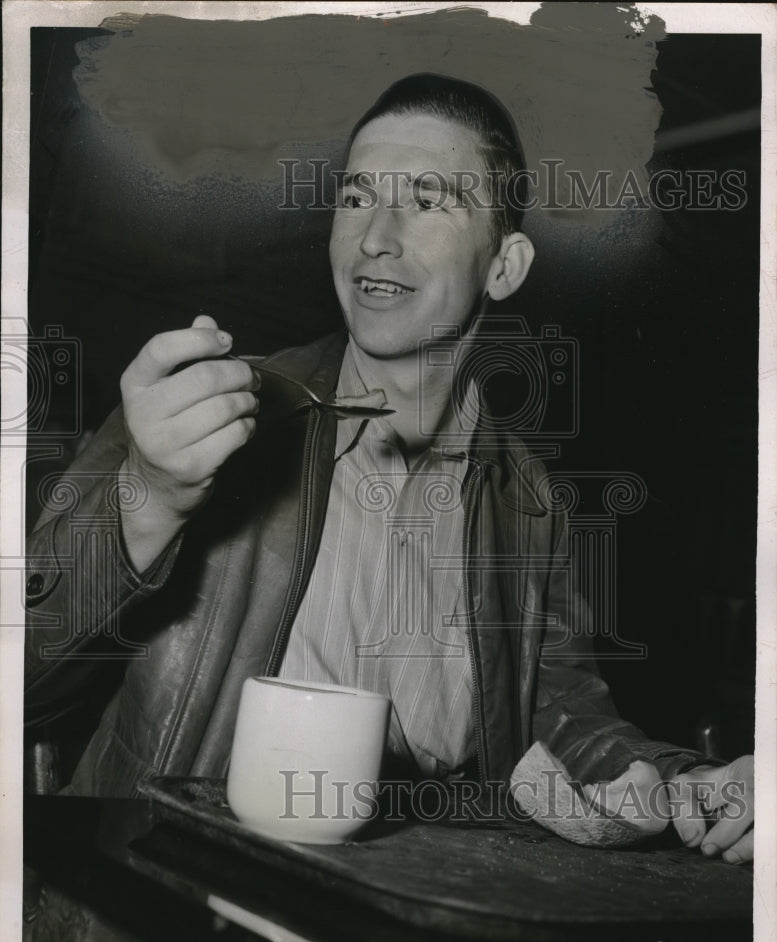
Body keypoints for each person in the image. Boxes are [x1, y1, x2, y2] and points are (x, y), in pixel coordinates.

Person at [24, 74, 754, 863]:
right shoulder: (199, 420)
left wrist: (692, 785)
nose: (375, 235)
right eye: (357, 195)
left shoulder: (528, 500)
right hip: (171, 895)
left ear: (503, 267)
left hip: (414, 913)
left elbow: (562, 716)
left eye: (429, 200)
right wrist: (151, 500)